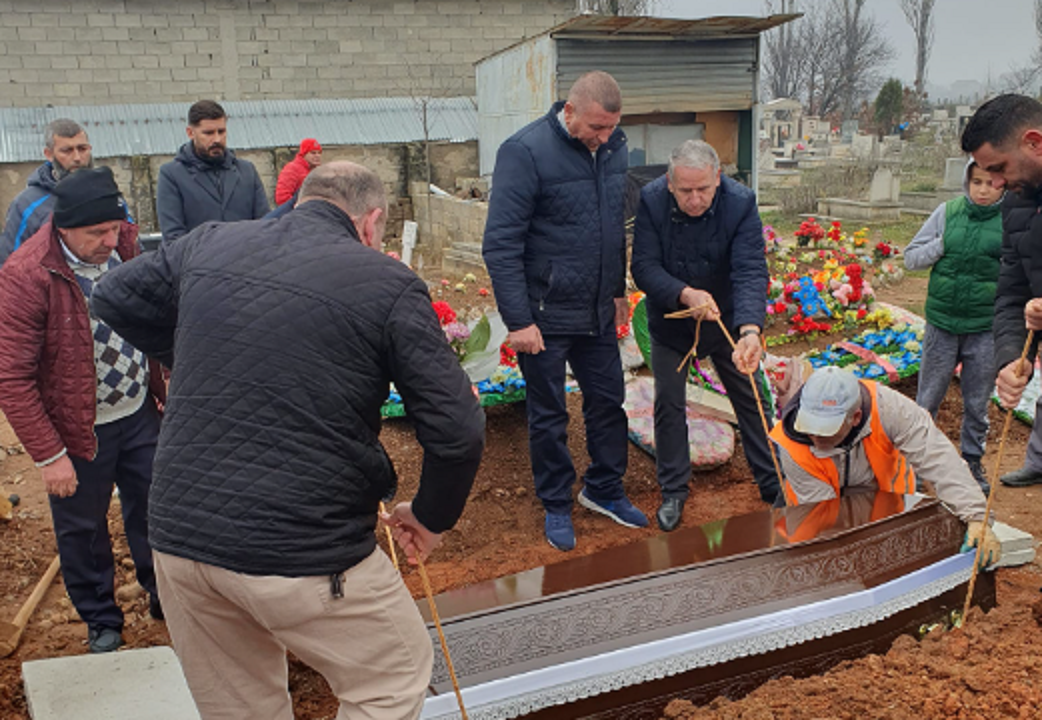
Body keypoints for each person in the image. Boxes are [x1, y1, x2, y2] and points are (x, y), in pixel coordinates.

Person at [91, 161, 484, 720]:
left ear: (301, 201)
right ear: (371, 223)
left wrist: (196, 356)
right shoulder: (386, 282)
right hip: (300, 547)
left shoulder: (211, 242)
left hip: (180, 543)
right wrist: (429, 517)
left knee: (241, 709)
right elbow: (458, 427)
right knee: (391, 676)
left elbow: (112, 294)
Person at [0, 167, 165, 654]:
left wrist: (162, 386)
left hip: (138, 411)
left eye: (114, 229)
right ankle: (100, 618)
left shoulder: (127, 247)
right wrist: (50, 456)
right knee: (83, 527)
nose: (109, 240)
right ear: (64, 227)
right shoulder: (28, 276)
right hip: (78, 428)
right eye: (97, 233)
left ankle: (163, 592)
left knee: (155, 508)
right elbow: (12, 378)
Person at [482, 70, 647, 552]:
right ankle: (557, 502)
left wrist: (617, 292)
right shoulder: (525, 152)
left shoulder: (614, 148)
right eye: (596, 128)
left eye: (612, 128)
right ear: (569, 111)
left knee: (607, 400)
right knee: (550, 413)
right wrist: (518, 320)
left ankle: (604, 488)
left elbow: (614, 228)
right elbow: (501, 244)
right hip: (544, 314)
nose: (605, 137)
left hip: (596, 308)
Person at [631, 139, 776, 532]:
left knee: (752, 397)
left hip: (726, 318)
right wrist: (684, 293)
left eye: (703, 190)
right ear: (669, 183)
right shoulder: (651, 200)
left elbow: (749, 269)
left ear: (718, 178)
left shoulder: (740, 203)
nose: (694, 200)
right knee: (669, 403)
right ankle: (674, 490)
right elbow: (643, 265)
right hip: (673, 318)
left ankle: (772, 480)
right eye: (685, 191)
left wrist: (749, 330)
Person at [769, 367, 999, 564]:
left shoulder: (892, 409)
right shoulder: (791, 443)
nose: (815, 436)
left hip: (883, 490)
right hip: (818, 499)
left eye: (827, 429)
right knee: (818, 556)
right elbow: (824, 514)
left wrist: (977, 517)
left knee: (890, 553)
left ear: (856, 417)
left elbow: (939, 459)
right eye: (810, 425)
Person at [903, 159, 1004, 495]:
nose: (984, 190)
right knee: (927, 398)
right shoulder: (947, 213)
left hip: (984, 327)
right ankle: (915, 465)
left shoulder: (1011, 221)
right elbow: (911, 257)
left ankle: (972, 462)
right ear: (967, 182)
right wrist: (940, 245)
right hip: (942, 324)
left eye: (992, 183)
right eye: (977, 182)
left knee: (977, 402)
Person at [961, 93, 1042, 488]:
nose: (994, 183)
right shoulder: (1017, 204)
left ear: (1034, 142)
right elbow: (1012, 292)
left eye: (998, 168)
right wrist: (1011, 359)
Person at [156, 99, 269, 241]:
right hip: (198, 261)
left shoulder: (247, 172)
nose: (217, 139)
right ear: (190, 133)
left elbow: (265, 226)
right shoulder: (172, 175)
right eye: (208, 133)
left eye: (221, 131)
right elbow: (173, 237)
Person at [0, 119, 93, 266]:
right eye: (67, 151)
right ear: (49, 154)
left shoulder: (110, 195)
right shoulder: (26, 205)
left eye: (82, 149)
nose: (77, 158)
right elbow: (9, 266)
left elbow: (130, 247)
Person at [275, 138, 322, 204]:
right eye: (313, 153)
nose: (317, 156)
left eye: (319, 153)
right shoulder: (292, 169)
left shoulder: (317, 171)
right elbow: (282, 197)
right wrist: (299, 209)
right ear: (304, 154)